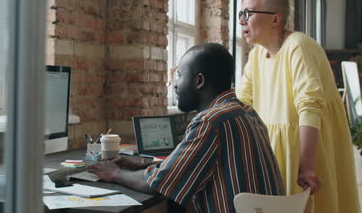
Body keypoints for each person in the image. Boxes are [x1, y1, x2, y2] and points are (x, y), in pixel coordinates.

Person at [88, 43, 285, 212]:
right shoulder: (247, 112)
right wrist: (142, 166)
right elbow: (182, 169)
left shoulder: (211, 121)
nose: (174, 85)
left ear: (199, 81)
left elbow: (159, 184)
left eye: (180, 75)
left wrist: (114, 172)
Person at [236, 0, 360, 212]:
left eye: (248, 13)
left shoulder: (299, 46)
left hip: (306, 147)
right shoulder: (256, 55)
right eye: (240, 14)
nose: (242, 21)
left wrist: (307, 167)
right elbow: (241, 103)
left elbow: (310, 105)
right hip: (275, 149)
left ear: (275, 19)